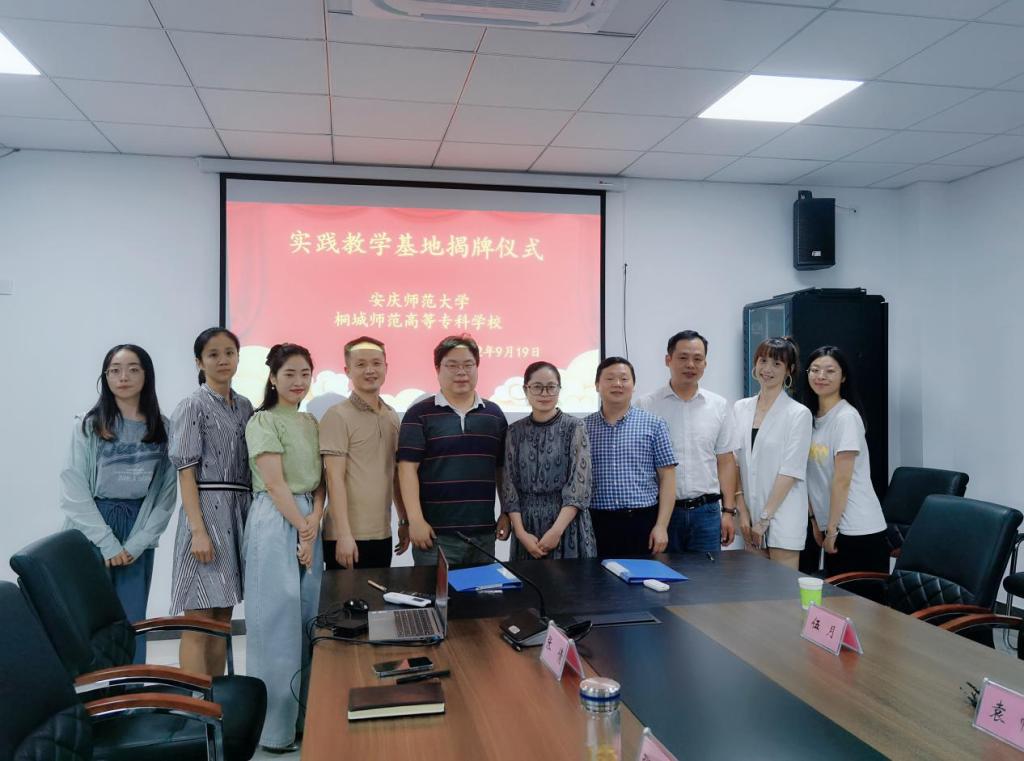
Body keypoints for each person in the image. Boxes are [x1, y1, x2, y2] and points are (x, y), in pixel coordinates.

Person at [59, 344, 176, 663]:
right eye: (115, 370)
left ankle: (131, 688)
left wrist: (137, 543)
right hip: (92, 527)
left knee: (132, 621)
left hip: (138, 529)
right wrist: (107, 543)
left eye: (133, 369)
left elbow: (165, 495)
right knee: (87, 617)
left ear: (146, 375)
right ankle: (90, 689)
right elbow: (73, 488)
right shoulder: (89, 425)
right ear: (106, 377)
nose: (123, 377)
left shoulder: (163, 428)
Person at [243, 343, 324, 753]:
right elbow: (275, 484)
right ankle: (274, 731)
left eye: (305, 374)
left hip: (308, 517)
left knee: (309, 620)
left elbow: (321, 483)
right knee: (276, 624)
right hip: (276, 521)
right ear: (273, 378)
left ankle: (305, 720)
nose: (298, 381)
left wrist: (314, 522)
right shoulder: (263, 420)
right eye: (289, 373)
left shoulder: (310, 421)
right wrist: (303, 529)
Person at [169, 327, 252, 677]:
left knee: (221, 620)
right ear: (199, 362)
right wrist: (198, 531)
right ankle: (193, 700)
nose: (223, 360)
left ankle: (217, 697)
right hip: (204, 513)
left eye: (229, 352)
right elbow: (185, 472)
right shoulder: (192, 405)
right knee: (198, 619)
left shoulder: (245, 405)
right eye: (213, 354)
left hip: (237, 513)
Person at [397, 334, 510, 566]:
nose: (461, 372)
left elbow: (502, 470)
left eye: (468, 365)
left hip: (484, 535)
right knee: (435, 590)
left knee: (483, 590)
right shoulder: (419, 414)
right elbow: (406, 470)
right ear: (438, 369)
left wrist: (506, 511)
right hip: (435, 536)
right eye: (452, 365)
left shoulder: (494, 415)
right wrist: (415, 521)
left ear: (477, 367)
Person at [636, 330, 740, 554]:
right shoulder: (647, 405)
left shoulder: (719, 406)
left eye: (697, 359)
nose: (690, 365)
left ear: (705, 363)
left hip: (707, 513)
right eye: (683, 357)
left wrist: (728, 512)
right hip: (662, 514)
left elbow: (725, 461)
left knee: (707, 575)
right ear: (668, 360)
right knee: (662, 574)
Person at [320, 336, 408, 570]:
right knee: (346, 595)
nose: (370, 370)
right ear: (347, 371)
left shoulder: (391, 415)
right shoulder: (337, 415)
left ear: (386, 367)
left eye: (376, 363)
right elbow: (334, 478)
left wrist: (403, 520)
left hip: (381, 533)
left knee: (379, 594)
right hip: (346, 537)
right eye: (361, 364)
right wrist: (343, 535)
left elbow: (395, 475)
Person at [803, 346, 888, 575]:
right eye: (815, 370)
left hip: (858, 528)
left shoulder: (846, 418)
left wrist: (831, 530)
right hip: (832, 525)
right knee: (835, 597)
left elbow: (842, 481)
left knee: (853, 598)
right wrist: (815, 521)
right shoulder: (810, 419)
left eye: (830, 371)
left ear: (843, 377)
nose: (821, 376)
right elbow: (807, 477)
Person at [501, 361, 597, 560]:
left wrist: (556, 531)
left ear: (559, 389)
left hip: (567, 524)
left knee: (571, 580)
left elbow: (579, 485)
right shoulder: (514, 431)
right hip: (526, 526)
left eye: (551, 387)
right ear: (525, 390)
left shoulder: (575, 427)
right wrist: (520, 533)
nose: (544, 394)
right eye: (537, 387)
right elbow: (510, 486)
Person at [732, 337, 812, 569]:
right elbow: (734, 463)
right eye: (763, 361)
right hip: (750, 514)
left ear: (790, 370)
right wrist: (743, 512)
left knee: (782, 587)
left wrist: (764, 519)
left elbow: (791, 470)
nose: (767, 369)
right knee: (755, 586)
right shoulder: (740, 408)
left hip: (783, 513)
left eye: (777, 364)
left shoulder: (798, 414)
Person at [584, 357, 676, 557]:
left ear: (633, 386)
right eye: (610, 378)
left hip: (643, 522)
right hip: (597, 522)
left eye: (624, 379)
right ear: (597, 385)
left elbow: (668, 477)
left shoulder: (654, 424)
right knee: (596, 577)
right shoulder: (582, 428)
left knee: (644, 576)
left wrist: (661, 526)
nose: (617, 384)